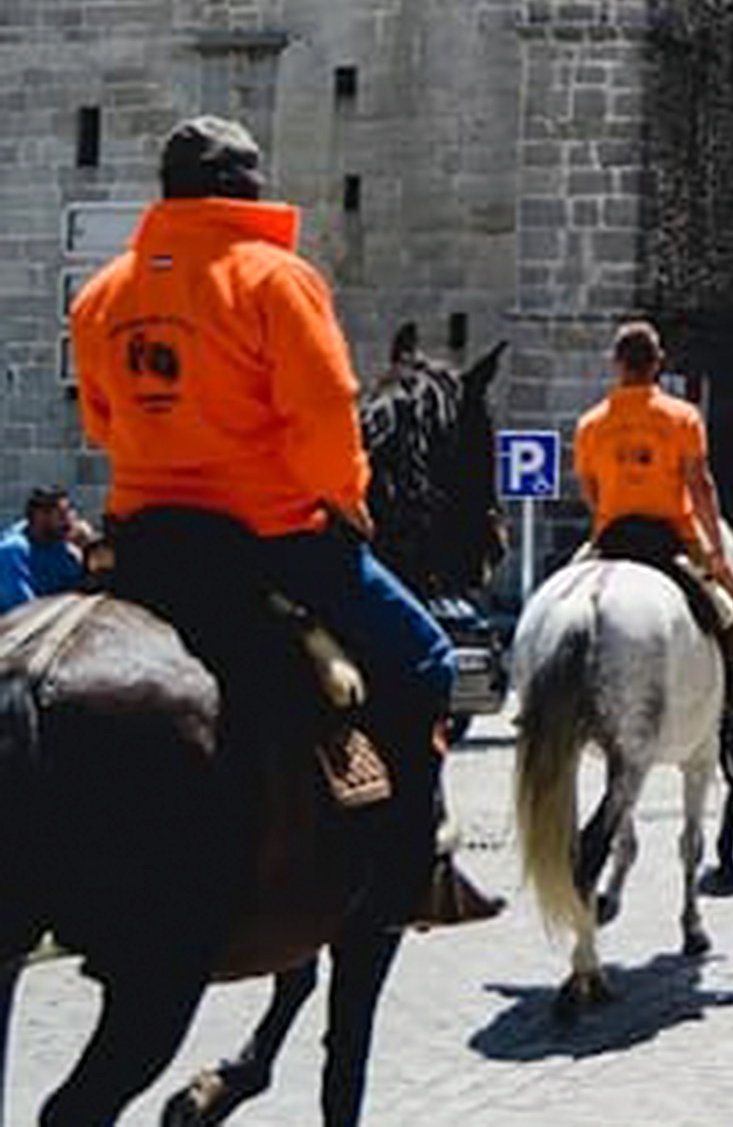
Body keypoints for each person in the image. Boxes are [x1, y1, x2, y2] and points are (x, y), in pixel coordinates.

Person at [70, 114, 494, 928]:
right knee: (427, 659)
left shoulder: (103, 294)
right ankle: (409, 863)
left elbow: (100, 421)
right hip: (268, 536)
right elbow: (325, 410)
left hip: (143, 540)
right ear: (245, 189)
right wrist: (348, 496)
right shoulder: (274, 278)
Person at [575, 321, 733, 716]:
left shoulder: (590, 424)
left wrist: (608, 513)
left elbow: (589, 489)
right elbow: (700, 486)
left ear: (616, 364)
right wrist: (716, 556)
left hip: (610, 537)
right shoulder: (683, 417)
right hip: (672, 538)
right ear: (658, 363)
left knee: (556, 601)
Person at [0, 486, 86, 614]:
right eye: (62, 515)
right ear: (40, 516)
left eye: (71, 512)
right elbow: (20, 609)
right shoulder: (13, 550)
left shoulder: (63, 548)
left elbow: (77, 589)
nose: (70, 521)